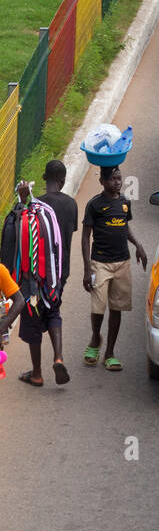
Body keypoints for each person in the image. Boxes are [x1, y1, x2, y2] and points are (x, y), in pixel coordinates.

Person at [16, 163, 78, 387]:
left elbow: (21, 225)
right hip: (59, 273)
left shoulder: (37, 205)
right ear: (62, 180)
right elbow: (66, 237)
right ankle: (58, 357)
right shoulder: (71, 204)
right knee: (53, 311)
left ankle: (37, 373)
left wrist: (23, 201)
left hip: (35, 272)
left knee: (33, 318)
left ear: (45, 179)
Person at [82, 165, 148, 371]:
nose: (117, 182)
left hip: (122, 262)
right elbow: (85, 237)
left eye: (119, 178)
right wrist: (87, 269)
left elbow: (125, 226)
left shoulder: (125, 203)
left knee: (117, 308)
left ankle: (110, 352)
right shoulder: (94, 205)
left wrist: (138, 245)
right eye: (112, 179)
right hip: (100, 263)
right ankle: (95, 339)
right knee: (98, 307)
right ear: (102, 182)